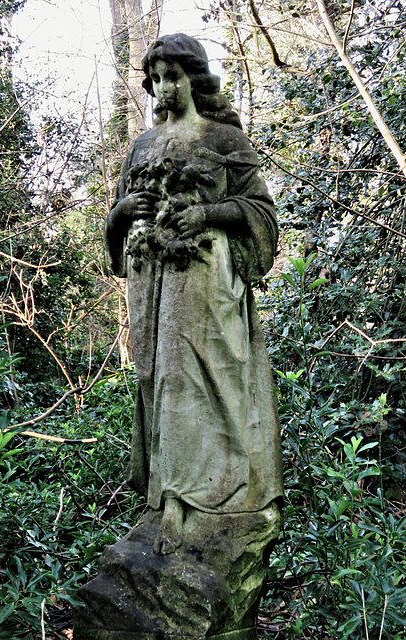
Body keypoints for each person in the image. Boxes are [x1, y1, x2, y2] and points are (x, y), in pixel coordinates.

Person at [105, 33, 283, 555]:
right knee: (158, 378)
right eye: (157, 78)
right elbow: (113, 226)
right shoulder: (139, 146)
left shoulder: (224, 138)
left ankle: (216, 499)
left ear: (195, 78)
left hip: (204, 278)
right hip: (149, 280)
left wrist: (205, 213)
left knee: (203, 379)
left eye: (174, 76)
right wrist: (120, 214)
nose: (164, 87)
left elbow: (261, 212)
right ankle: (169, 496)